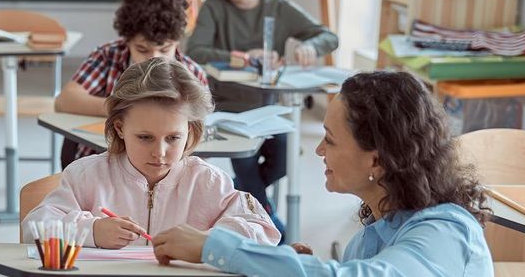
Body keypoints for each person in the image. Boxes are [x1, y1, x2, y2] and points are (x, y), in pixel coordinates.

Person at [152, 71, 494, 276]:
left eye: (329, 140)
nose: (319, 151)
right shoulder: (368, 238)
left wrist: (223, 248)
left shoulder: (446, 230)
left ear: (377, 161)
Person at [24, 58, 280, 248]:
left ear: (190, 131)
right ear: (120, 127)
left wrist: (205, 241)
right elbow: (33, 228)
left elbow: (264, 230)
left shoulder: (208, 181)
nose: (159, 152)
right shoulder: (86, 175)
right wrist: (92, 230)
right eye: (145, 137)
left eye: (173, 138)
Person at [186, 0, 340, 231]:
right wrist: (241, 58)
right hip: (226, 110)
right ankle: (269, 221)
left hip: (268, 110)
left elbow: (328, 36)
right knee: (245, 157)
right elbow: (195, 51)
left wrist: (312, 47)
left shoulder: (277, 7)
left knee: (285, 155)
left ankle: (238, 193)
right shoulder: (215, 8)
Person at [54, 0, 208, 168]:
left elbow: (196, 141)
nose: (154, 58)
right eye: (142, 49)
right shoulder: (108, 57)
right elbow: (65, 100)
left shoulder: (193, 73)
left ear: (177, 41)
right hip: (100, 164)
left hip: (161, 172)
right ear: (127, 40)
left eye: (164, 49)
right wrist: (127, 111)